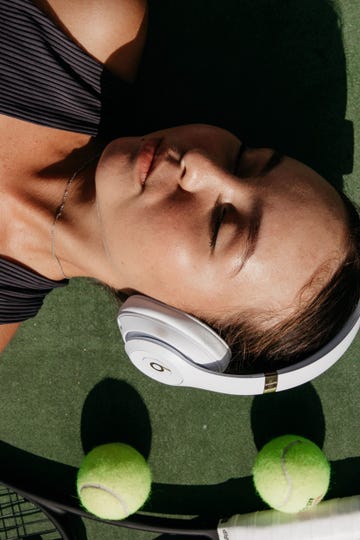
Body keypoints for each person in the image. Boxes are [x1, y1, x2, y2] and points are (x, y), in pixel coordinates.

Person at [0, 0, 359, 374]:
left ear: (174, 325)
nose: (200, 164)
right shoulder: (88, 21)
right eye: (242, 159)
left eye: (220, 225)